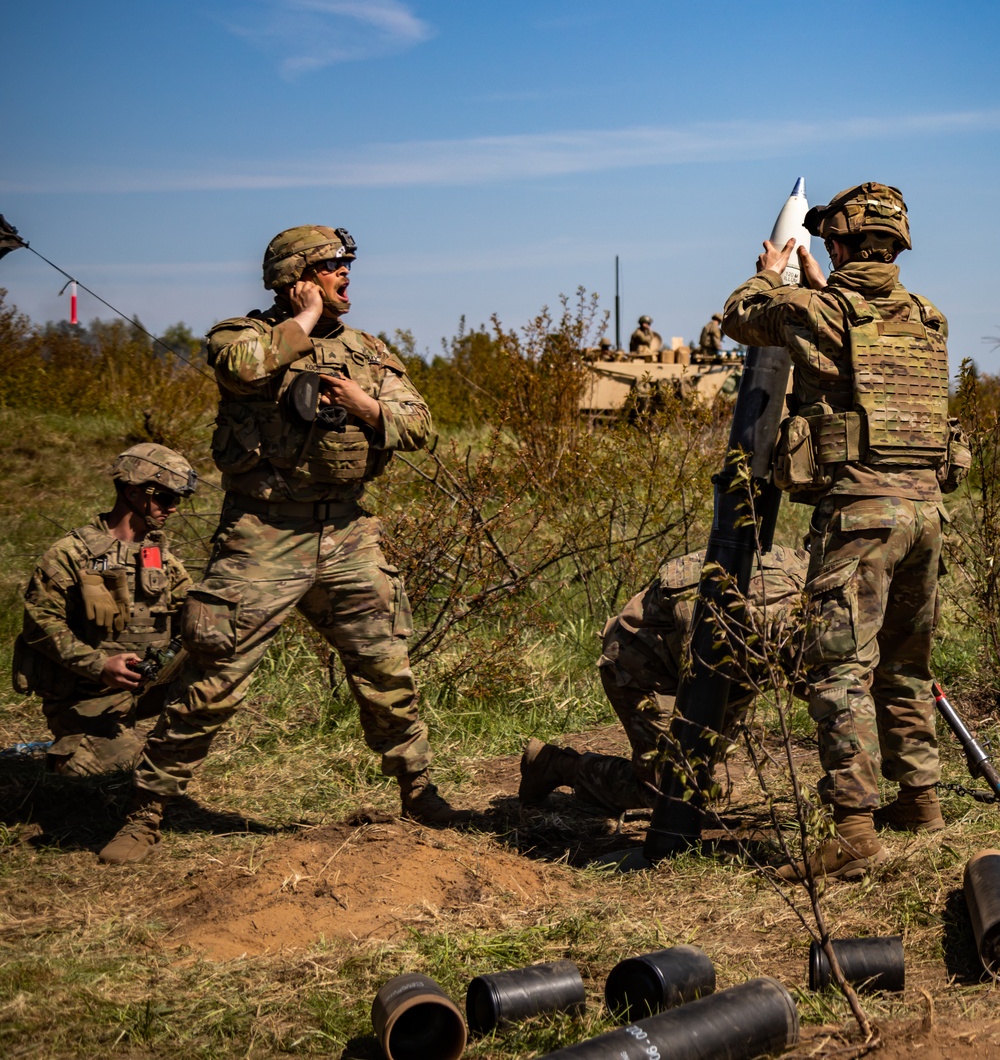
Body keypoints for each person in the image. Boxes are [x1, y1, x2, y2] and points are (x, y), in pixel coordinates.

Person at [99, 225, 466, 866]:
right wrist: (306, 318)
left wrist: (363, 405)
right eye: (331, 266)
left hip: (349, 531)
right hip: (263, 533)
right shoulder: (242, 336)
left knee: (386, 669)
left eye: (347, 265)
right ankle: (147, 810)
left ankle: (418, 791)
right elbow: (244, 371)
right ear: (296, 276)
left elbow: (421, 428)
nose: (346, 274)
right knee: (214, 675)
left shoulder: (369, 352)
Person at [721, 181, 965, 881]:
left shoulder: (815, 309)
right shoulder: (928, 317)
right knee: (905, 666)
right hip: (926, 516)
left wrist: (769, 275)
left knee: (840, 671)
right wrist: (820, 288)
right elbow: (864, 343)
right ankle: (920, 802)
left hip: (861, 516)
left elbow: (740, 317)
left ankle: (854, 828)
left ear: (838, 241)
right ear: (897, 244)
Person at [519, 545, 809, 815]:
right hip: (644, 665)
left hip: (718, 673)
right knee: (672, 791)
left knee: (698, 775)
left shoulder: (810, 575)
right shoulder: (780, 610)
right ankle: (553, 765)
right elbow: (820, 688)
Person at [13, 444, 196, 777]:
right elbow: (40, 623)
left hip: (148, 688)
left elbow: (191, 612)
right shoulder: (72, 554)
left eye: (176, 501)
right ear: (133, 493)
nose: (172, 509)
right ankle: (73, 746)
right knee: (119, 778)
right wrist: (99, 665)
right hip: (87, 696)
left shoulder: (159, 556)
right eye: (166, 499)